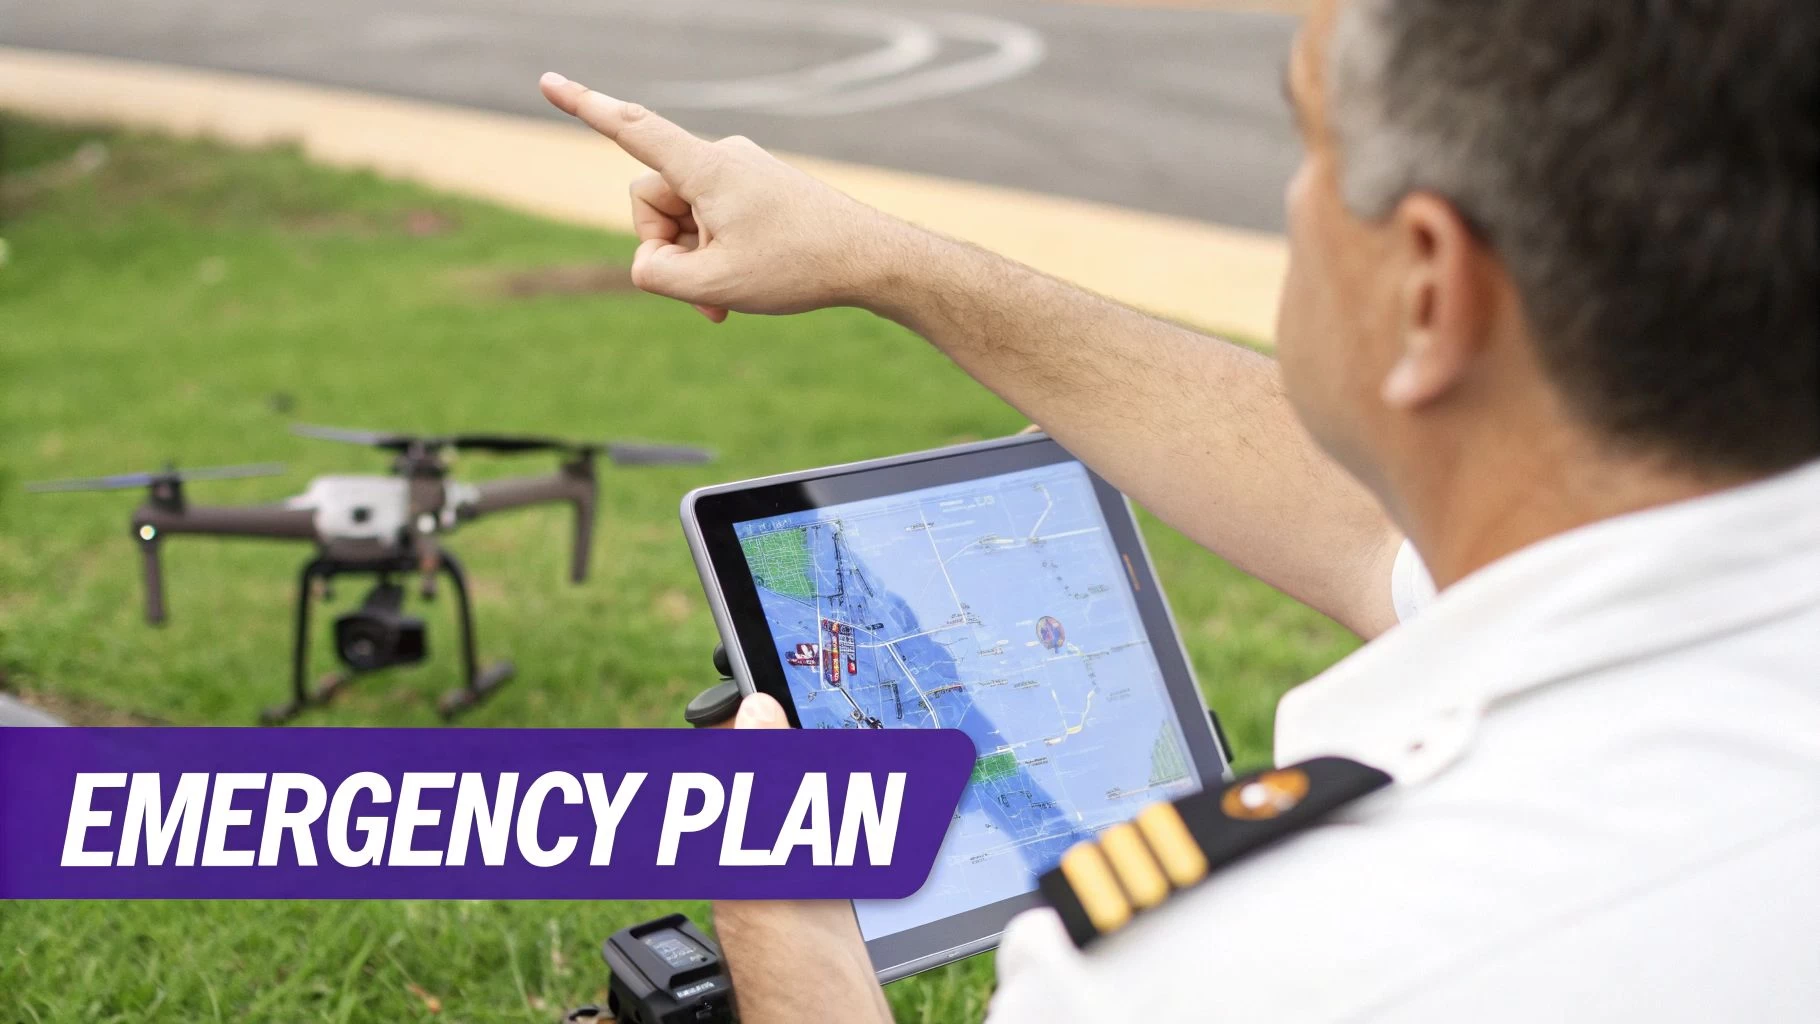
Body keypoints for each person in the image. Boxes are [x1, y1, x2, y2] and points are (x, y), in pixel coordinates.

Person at [537, 0, 1820, 1017]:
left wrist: (787, 921)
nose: (1291, 200)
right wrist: (884, 257)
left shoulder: (1221, 971)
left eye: (1311, 143)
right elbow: (1369, 524)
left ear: (1427, 286)